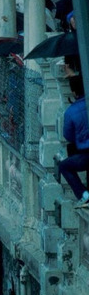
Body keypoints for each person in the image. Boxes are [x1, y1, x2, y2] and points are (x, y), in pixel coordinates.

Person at [58, 75, 89, 208]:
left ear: (74, 92)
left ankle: (84, 195)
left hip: (85, 155)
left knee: (63, 166)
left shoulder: (70, 112)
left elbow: (68, 136)